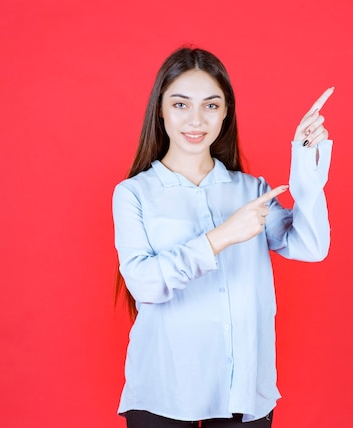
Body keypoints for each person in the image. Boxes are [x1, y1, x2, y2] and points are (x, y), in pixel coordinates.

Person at [112, 47, 334, 427]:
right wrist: (220, 237)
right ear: (160, 109)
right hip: (164, 389)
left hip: (243, 390)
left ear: (226, 111)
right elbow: (143, 284)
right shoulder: (134, 193)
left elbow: (311, 247)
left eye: (210, 106)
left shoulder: (251, 190)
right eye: (180, 104)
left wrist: (305, 161)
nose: (195, 119)